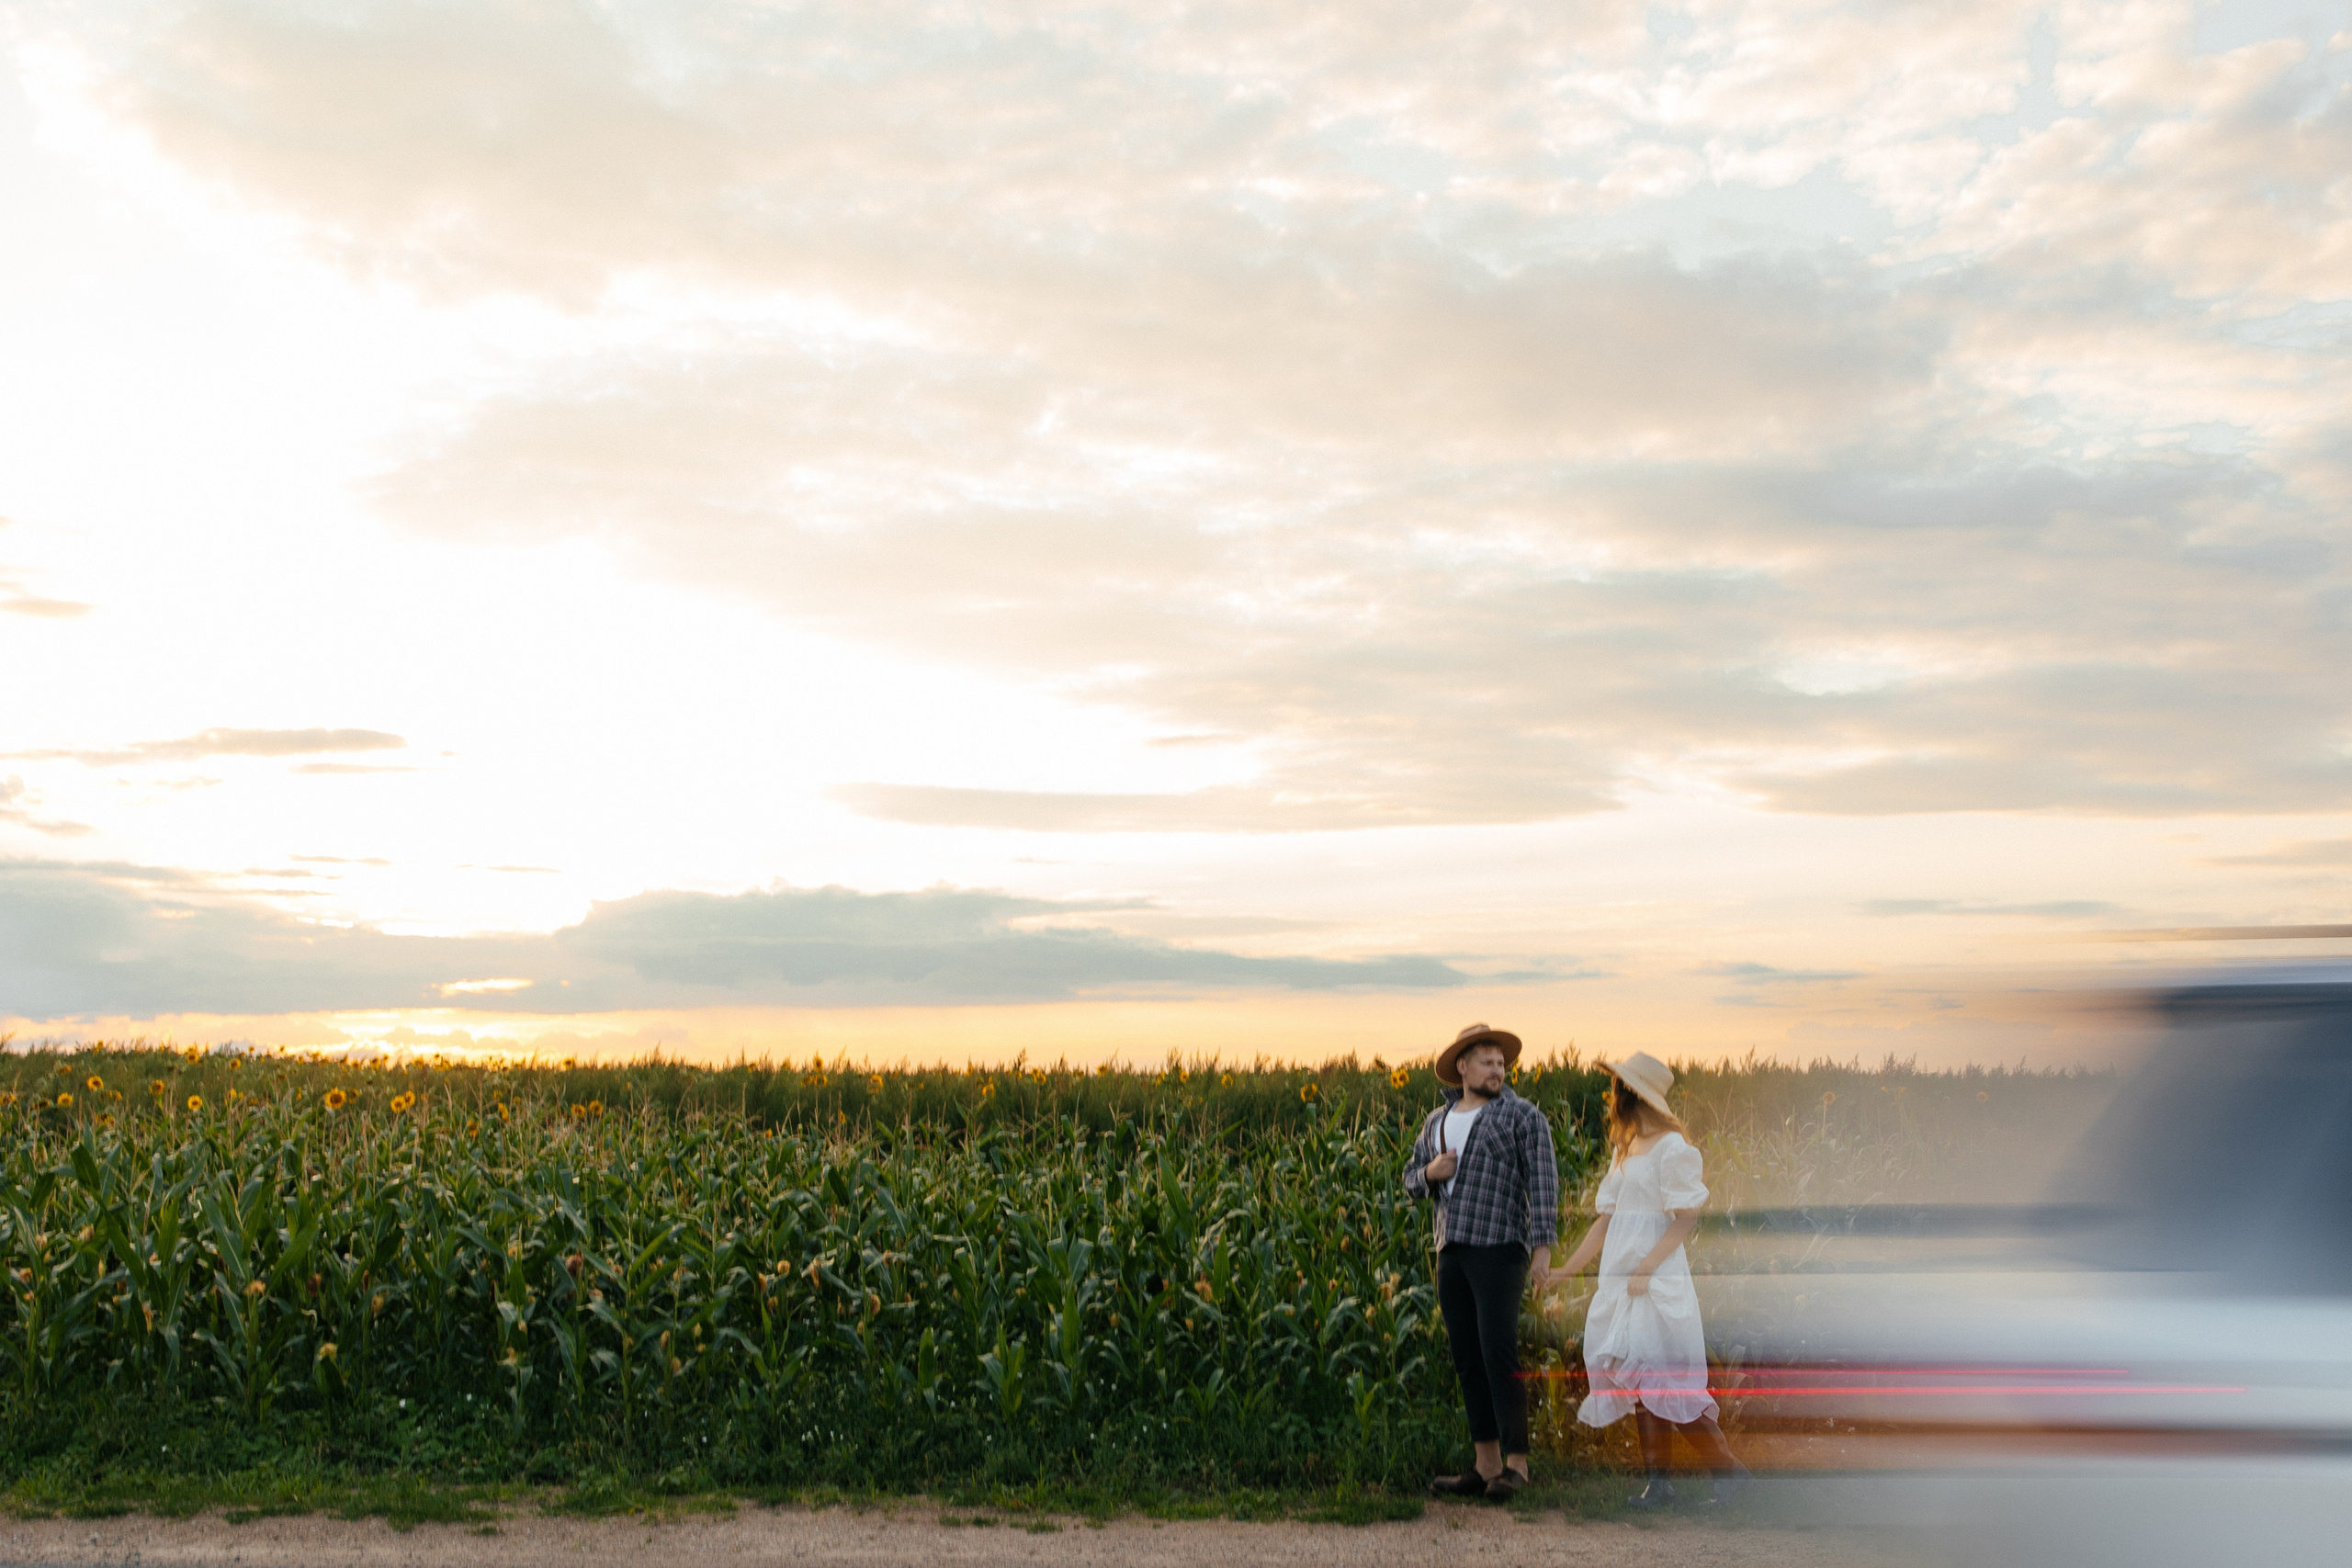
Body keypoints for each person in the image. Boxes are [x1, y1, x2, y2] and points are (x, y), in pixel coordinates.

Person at [1545, 1051, 1748, 1506]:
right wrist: (1567, 1270)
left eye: (1616, 1088)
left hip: (1655, 1278)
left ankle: (1729, 1471)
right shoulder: (1627, 1148)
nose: (1611, 1097)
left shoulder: (1673, 1148)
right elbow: (1605, 1221)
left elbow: (1686, 1217)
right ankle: (1660, 1484)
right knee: (1640, 1377)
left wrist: (1647, 1267)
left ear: (1629, 1094)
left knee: (1661, 1376)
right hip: (1624, 1281)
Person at [1403, 1022, 1559, 1501]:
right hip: (1450, 1250)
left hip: (1500, 1247)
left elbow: (1543, 1183)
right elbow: (1409, 1181)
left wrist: (1542, 1249)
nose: (1497, 1070)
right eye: (1487, 1062)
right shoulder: (1436, 1122)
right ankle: (1485, 1466)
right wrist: (1431, 1172)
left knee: (1498, 1353)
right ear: (1463, 1067)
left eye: (1501, 1064)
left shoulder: (1522, 1115)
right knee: (1468, 1358)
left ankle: (1517, 1466)